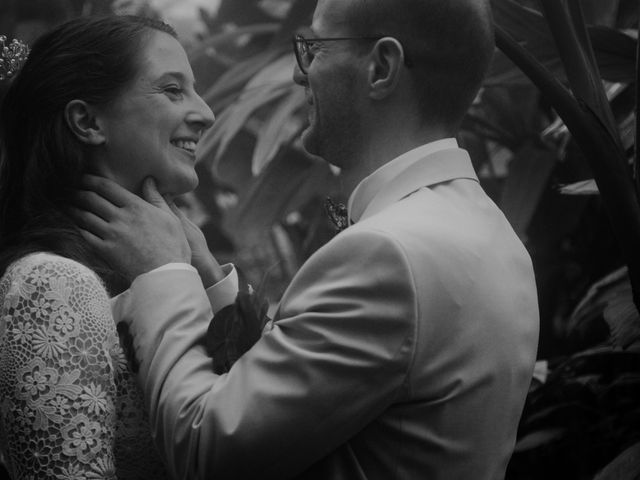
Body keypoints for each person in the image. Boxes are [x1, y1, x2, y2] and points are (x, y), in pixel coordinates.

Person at [74, 0, 540, 478]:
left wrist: (162, 273)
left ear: (381, 67)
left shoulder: (388, 253)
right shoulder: (493, 233)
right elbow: (312, 385)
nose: (300, 75)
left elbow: (205, 448)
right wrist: (208, 279)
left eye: (314, 48)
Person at [0, 15, 215, 479]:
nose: (206, 112)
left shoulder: (178, 264)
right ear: (87, 120)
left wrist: (207, 277)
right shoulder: (51, 283)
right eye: (173, 90)